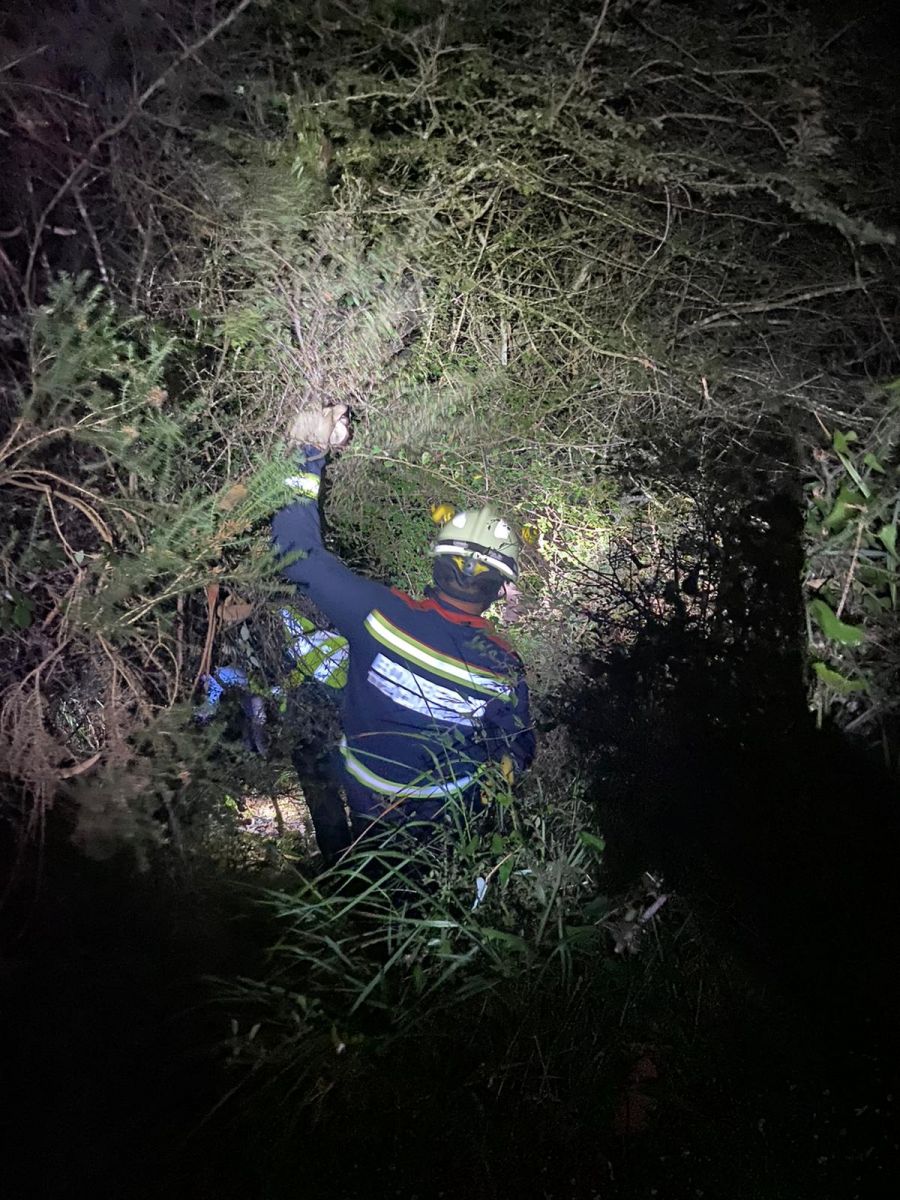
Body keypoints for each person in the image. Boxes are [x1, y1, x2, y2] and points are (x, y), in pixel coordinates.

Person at [272, 403, 535, 861]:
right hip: (452, 812)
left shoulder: (378, 616)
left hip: (370, 798)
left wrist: (307, 450)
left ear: (435, 562)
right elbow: (516, 746)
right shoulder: (501, 666)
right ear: (498, 588)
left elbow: (297, 552)